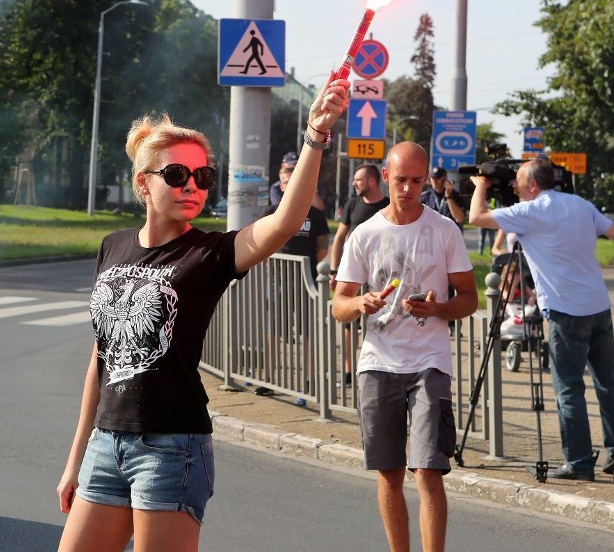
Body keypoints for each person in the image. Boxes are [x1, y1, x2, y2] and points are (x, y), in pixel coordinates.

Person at [56, 79, 349, 551]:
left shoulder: (209, 253)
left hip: (172, 449)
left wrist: (315, 134)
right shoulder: (113, 246)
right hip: (106, 445)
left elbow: (285, 222)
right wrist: (76, 460)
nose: (192, 186)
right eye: (176, 175)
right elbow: (101, 358)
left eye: (203, 176)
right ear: (143, 182)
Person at [332, 142, 478, 552]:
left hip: (430, 362)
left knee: (429, 471)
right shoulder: (366, 233)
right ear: (385, 175)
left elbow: (469, 298)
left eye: (417, 180)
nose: (409, 189)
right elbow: (338, 305)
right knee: (389, 473)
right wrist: (359, 302)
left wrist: (441, 308)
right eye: (401, 180)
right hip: (378, 363)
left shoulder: (444, 229)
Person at [468, 157, 614, 481]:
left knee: (569, 388)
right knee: (607, 384)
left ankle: (580, 462)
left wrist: (481, 186)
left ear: (533, 185)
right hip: (598, 306)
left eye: (517, 181)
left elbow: (475, 217)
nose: (514, 186)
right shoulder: (581, 204)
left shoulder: (529, 213)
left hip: (565, 311)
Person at [258, 165, 330, 404]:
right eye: (288, 182)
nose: (293, 186)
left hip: (306, 282)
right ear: (281, 186)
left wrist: (308, 269)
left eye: (297, 181)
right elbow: (261, 242)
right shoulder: (271, 211)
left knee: (307, 331)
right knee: (273, 329)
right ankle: (268, 378)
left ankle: (308, 380)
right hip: (277, 282)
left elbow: (323, 249)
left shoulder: (316, 215)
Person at [329, 163, 389, 384]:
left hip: (380, 276)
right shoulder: (352, 204)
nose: (354, 183)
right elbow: (339, 237)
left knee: (378, 321)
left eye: (359, 180)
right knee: (349, 324)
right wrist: (335, 270)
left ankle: (376, 368)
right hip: (353, 274)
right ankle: (348, 371)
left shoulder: (387, 205)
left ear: (372, 181)